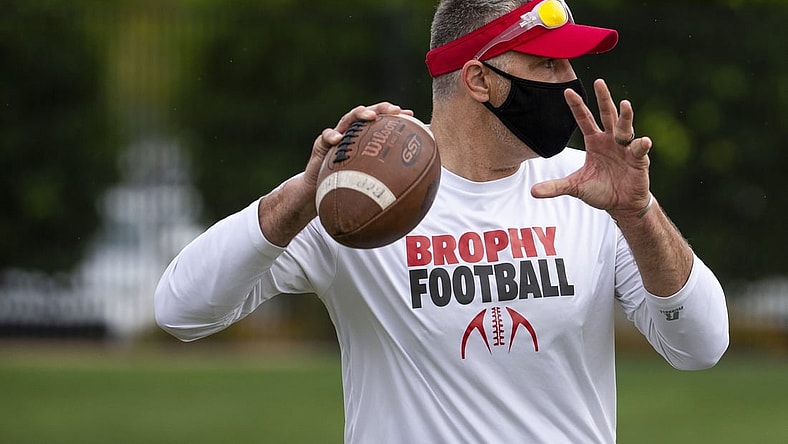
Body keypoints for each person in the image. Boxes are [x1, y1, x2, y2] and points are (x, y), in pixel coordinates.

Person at [154, 0, 729, 442]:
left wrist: (639, 213)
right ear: (478, 79)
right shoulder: (360, 197)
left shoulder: (592, 190)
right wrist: (304, 193)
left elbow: (701, 346)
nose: (568, 81)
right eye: (546, 62)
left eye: (569, 62)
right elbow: (180, 311)